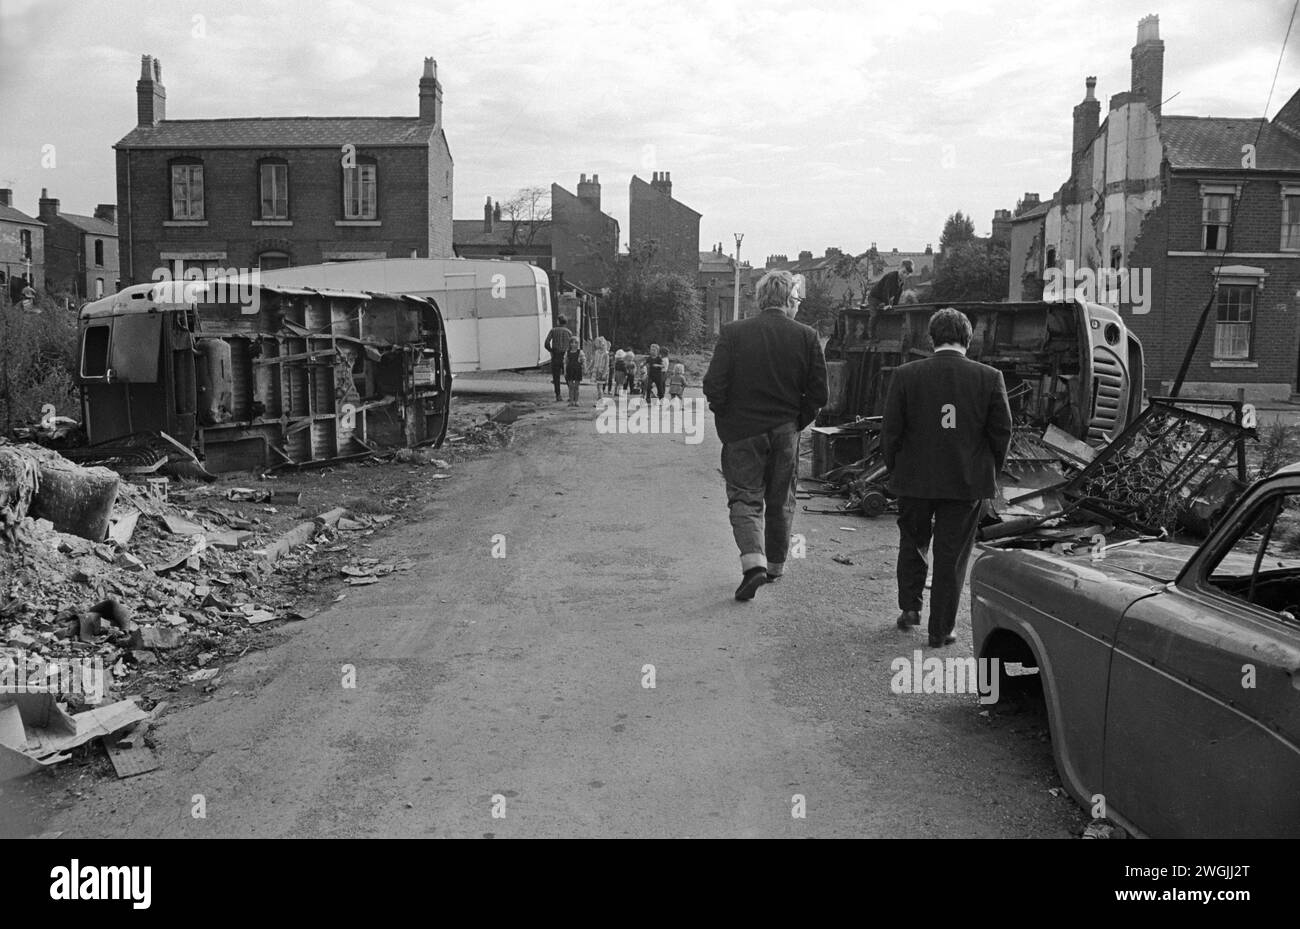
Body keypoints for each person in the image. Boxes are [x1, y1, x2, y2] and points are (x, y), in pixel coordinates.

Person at [881, 307, 1012, 648]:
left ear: (931, 338)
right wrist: (989, 473)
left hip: (914, 479)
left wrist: (894, 469)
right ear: (969, 339)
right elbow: (1002, 433)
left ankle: (910, 610)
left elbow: (890, 432)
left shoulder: (906, 375)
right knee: (952, 556)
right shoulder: (989, 377)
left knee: (913, 542)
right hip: (966, 482)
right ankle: (941, 630)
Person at [703, 269, 828, 601]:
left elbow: (713, 385)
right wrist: (795, 421)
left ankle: (753, 563)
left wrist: (729, 419)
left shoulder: (734, 332)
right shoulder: (807, 336)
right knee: (781, 498)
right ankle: (774, 566)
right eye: (797, 300)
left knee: (745, 497)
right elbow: (819, 394)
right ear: (788, 300)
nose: (798, 306)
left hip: (742, 432)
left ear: (761, 300)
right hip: (785, 431)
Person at [543, 315, 574, 402]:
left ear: (558, 321)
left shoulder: (553, 330)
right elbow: (572, 345)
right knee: (568, 375)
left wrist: (551, 350)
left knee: (556, 377)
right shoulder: (569, 332)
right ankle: (571, 395)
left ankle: (558, 395)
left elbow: (546, 343)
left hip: (556, 355)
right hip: (566, 356)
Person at [564, 338, 585, 407]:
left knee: (576, 386)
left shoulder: (580, 352)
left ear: (577, 344)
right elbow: (565, 362)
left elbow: (583, 361)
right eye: (572, 342)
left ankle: (576, 401)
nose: (573, 344)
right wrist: (564, 371)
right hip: (569, 370)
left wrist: (584, 368)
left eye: (575, 343)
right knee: (570, 386)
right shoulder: (567, 352)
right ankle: (571, 401)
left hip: (577, 370)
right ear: (569, 344)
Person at [590, 337, 610, 405]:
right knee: (598, 387)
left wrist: (604, 373)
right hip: (597, 371)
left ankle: (601, 402)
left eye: (602, 344)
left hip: (601, 372)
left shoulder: (606, 354)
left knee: (600, 387)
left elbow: (607, 365)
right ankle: (599, 400)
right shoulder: (596, 352)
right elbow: (593, 361)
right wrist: (589, 368)